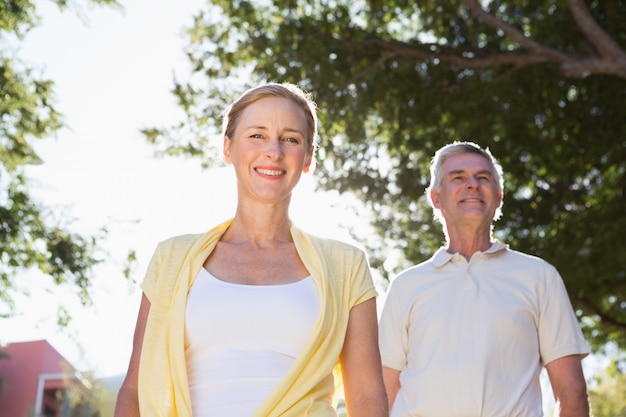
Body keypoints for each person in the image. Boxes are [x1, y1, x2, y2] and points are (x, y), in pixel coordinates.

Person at [114, 82, 388, 417]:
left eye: (291, 138)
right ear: (228, 148)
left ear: (308, 158)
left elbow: (366, 398)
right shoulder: (172, 259)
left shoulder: (346, 265)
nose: (274, 150)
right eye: (257, 135)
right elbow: (135, 390)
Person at [378, 141, 590, 416]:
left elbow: (571, 389)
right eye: (458, 177)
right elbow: (382, 391)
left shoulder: (540, 277)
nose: (472, 185)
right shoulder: (405, 286)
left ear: (498, 195)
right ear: (436, 198)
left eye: (483, 177)